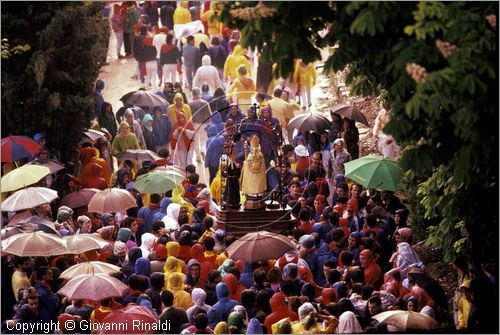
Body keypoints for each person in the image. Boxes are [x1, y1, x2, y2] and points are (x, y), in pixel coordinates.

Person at [189, 87, 212, 162]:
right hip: (204, 124)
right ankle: (203, 150)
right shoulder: (205, 103)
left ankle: (198, 157)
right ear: (199, 94)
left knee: (195, 141)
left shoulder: (190, 104)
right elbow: (209, 115)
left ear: (192, 94)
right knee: (203, 140)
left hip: (194, 124)